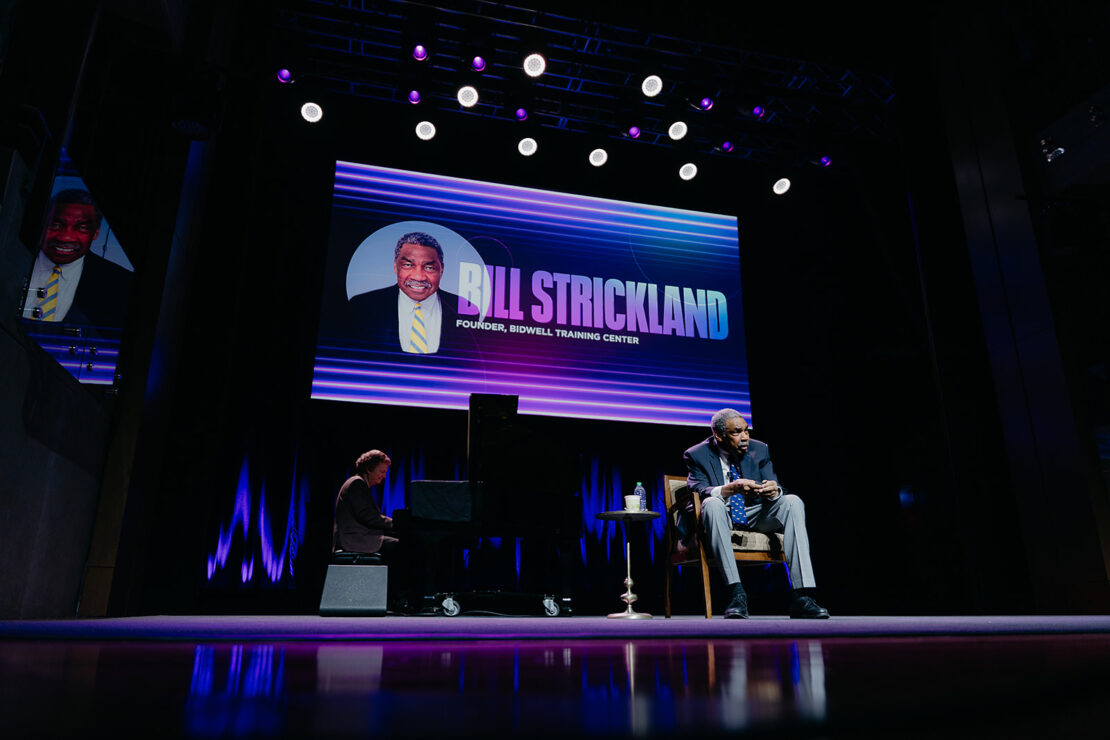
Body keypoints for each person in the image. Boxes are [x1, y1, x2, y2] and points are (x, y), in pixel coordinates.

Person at [683, 408, 829, 619]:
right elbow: (697, 490)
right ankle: (736, 593)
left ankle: (802, 595)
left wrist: (774, 489)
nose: (745, 438)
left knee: (792, 501)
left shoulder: (759, 450)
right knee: (712, 504)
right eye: (737, 432)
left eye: (746, 431)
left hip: (755, 513)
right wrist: (731, 488)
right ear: (719, 435)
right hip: (721, 514)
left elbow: (775, 484)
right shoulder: (696, 454)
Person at [23, 189, 131, 327]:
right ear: (44, 224)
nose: (65, 237)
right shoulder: (12, 252)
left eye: (81, 228)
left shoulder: (119, 283)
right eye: (56, 225)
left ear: (96, 233)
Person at [346, 231, 464, 354]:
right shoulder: (362, 306)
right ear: (395, 267)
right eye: (408, 265)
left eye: (429, 267)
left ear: (442, 270)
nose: (418, 277)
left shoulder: (464, 311)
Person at [332, 449, 398, 557]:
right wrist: (393, 523)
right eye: (382, 472)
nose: (385, 476)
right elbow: (366, 515)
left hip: (360, 537)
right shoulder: (356, 483)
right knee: (402, 546)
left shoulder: (359, 483)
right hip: (355, 540)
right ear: (369, 469)